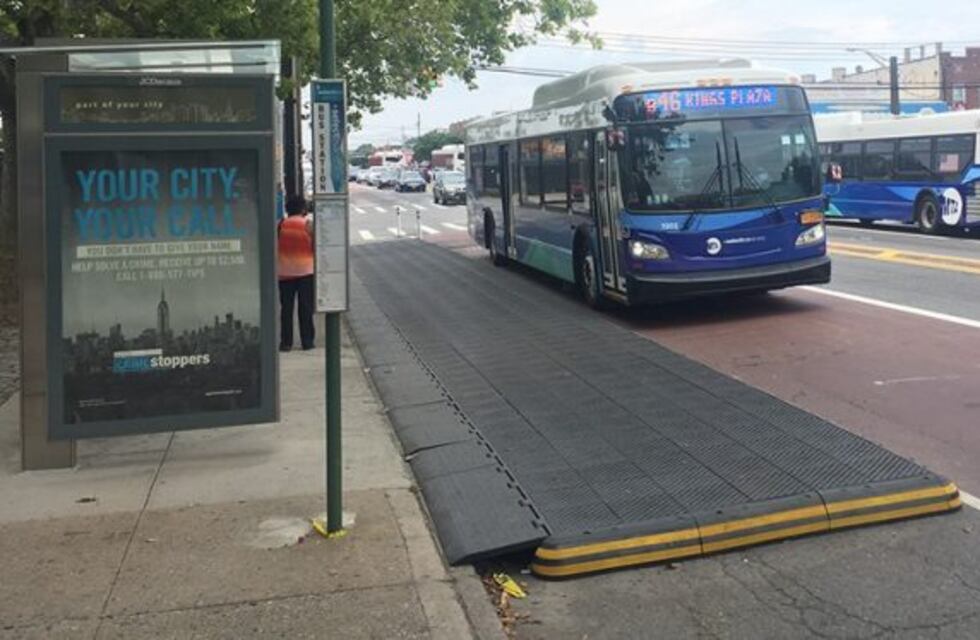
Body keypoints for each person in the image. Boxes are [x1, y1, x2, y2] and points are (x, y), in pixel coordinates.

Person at [278, 195, 315, 351]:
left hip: (285, 272)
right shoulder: (308, 225)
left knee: (286, 309)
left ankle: (286, 342)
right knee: (305, 308)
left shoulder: (281, 225)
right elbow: (314, 247)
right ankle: (307, 341)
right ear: (303, 209)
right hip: (306, 271)